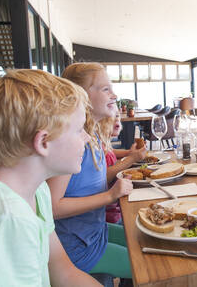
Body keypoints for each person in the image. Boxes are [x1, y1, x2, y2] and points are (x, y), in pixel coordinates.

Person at [0, 69, 101, 286]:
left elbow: (62, 271)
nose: (87, 137)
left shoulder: (37, 190)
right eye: (79, 129)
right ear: (43, 142)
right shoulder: (9, 219)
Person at [46, 62, 135, 282]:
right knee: (149, 267)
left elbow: (90, 182)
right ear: (82, 95)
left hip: (97, 232)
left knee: (145, 240)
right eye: (105, 89)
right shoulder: (73, 141)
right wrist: (110, 195)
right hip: (78, 248)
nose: (114, 95)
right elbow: (52, 207)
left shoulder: (91, 134)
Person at [100, 110, 146, 223]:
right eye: (112, 116)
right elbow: (104, 176)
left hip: (117, 203)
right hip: (110, 214)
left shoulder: (103, 142)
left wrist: (128, 153)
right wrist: (131, 159)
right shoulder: (94, 144)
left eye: (118, 116)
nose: (117, 119)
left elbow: (110, 151)